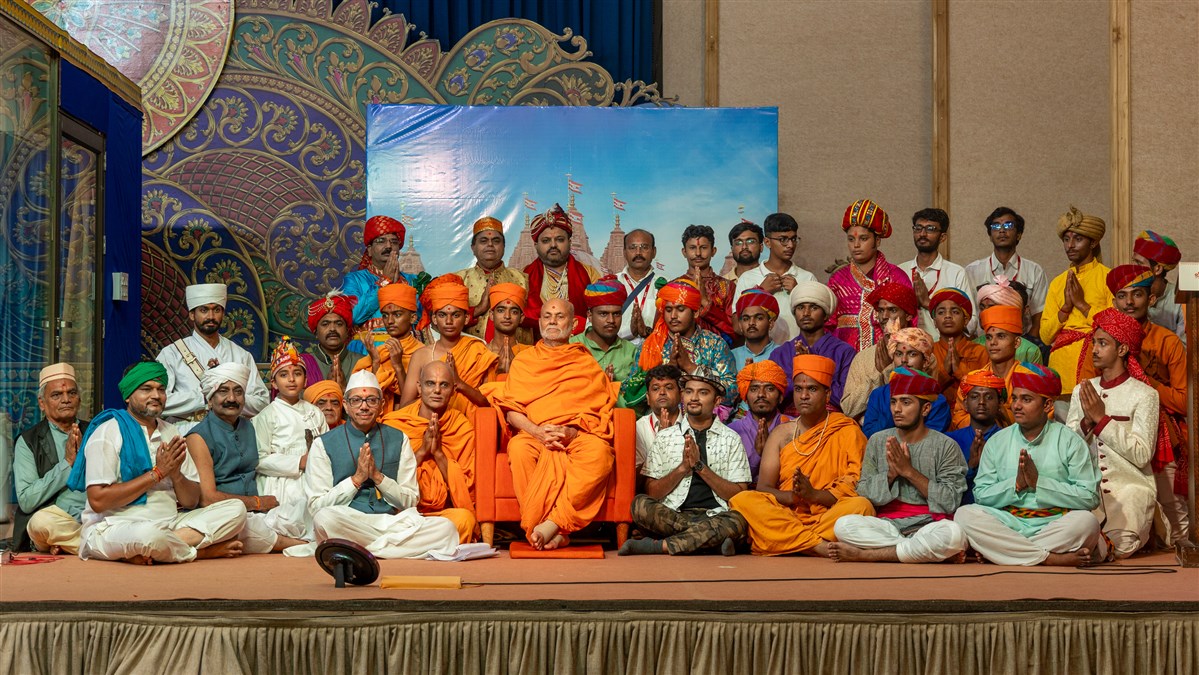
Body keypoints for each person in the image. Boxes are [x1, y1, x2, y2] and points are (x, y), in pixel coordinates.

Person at [68, 361, 248, 564]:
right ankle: (200, 551)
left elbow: (190, 501)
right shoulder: (108, 432)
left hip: (171, 524)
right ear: (128, 395)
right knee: (149, 536)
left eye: (161, 389)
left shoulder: (171, 433)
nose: (156, 395)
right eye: (146, 389)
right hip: (116, 526)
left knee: (236, 510)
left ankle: (165, 548)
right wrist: (158, 473)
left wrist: (176, 474)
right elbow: (98, 501)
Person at [486, 298, 618, 550]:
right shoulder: (525, 361)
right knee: (518, 449)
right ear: (539, 321)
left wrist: (572, 432)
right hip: (534, 433)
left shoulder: (585, 363)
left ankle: (550, 524)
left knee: (600, 454)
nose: (553, 322)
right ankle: (548, 527)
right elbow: (512, 411)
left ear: (574, 324)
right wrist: (536, 432)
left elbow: (598, 411)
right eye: (547, 316)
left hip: (575, 434)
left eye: (560, 317)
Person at [954, 363, 1102, 566]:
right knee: (965, 515)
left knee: (1087, 522)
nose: (1016, 406)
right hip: (1009, 521)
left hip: (1055, 522)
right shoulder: (998, 441)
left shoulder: (1070, 441)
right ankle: (1048, 558)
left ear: (1048, 405)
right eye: (1014, 398)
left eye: (1026, 399)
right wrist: (1015, 485)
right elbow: (981, 494)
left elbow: (1089, 496)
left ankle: (1004, 553)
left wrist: (1038, 483)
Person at [303, 370, 459, 558]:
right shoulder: (323, 444)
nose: (364, 407)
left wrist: (378, 478)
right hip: (349, 519)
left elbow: (410, 500)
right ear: (346, 405)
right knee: (324, 519)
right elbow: (316, 507)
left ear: (382, 405)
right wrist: (356, 480)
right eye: (356, 400)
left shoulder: (398, 438)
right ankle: (390, 549)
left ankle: (363, 550)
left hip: (392, 523)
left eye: (371, 400)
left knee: (446, 528)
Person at [728, 355, 873, 556]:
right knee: (744, 499)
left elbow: (855, 483)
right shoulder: (781, 433)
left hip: (827, 512)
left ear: (828, 394)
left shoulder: (848, 430)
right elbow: (764, 487)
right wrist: (793, 497)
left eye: (812, 389)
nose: (804, 395)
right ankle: (817, 546)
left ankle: (790, 541)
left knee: (861, 506)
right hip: (789, 513)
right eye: (798, 389)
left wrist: (813, 495)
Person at [830, 368, 968, 563]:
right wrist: (890, 475)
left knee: (953, 533)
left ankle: (867, 555)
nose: (896, 409)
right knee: (843, 525)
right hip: (888, 525)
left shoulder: (946, 446)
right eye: (894, 402)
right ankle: (915, 550)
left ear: (925, 409)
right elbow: (864, 492)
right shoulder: (878, 441)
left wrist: (909, 472)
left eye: (906, 402)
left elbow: (950, 501)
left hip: (929, 524)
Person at [1097, 264, 1189, 543]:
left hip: (1164, 433)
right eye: (1122, 296)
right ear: (1113, 301)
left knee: (1173, 507)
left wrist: (1146, 384)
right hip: (1116, 432)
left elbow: (1185, 401)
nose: (1128, 302)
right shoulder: (1104, 341)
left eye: (1136, 294)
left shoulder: (1168, 342)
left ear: (1151, 299)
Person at [620, 368, 751, 556]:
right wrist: (682, 468)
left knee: (738, 520)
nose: (694, 398)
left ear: (717, 401)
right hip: (674, 514)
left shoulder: (731, 439)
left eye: (703, 392)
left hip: (717, 515)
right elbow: (651, 492)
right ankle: (710, 540)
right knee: (639, 504)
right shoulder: (665, 437)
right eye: (689, 392)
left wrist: (700, 467)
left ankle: (660, 546)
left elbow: (739, 495)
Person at [1067, 308, 1161, 559]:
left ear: (1122, 350)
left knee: (1123, 545)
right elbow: (1066, 448)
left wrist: (1102, 420)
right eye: (1094, 343)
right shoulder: (1082, 390)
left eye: (1103, 343)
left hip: (1129, 487)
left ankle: (1086, 547)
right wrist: (1087, 423)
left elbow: (1142, 455)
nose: (1094, 350)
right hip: (1086, 491)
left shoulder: (1145, 395)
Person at [184, 364, 309, 553]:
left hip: (259, 512)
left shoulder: (248, 426)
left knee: (304, 509)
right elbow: (207, 499)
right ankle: (304, 546)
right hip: (224, 514)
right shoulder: (198, 437)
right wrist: (257, 503)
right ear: (209, 399)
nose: (232, 399)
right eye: (223, 391)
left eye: (238, 392)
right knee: (244, 520)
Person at [382, 361, 478, 543]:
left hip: (441, 515)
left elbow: (467, 486)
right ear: (419, 387)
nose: (437, 390)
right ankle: (427, 545)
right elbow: (385, 480)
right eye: (430, 383)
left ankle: (411, 545)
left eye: (444, 384)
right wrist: (422, 452)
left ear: (453, 390)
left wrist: (439, 454)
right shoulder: (394, 424)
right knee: (384, 520)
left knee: (465, 521)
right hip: (403, 513)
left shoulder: (461, 427)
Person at [156, 283, 269, 432]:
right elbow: (159, 401)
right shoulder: (171, 354)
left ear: (223, 313)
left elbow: (262, 402)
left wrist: (228, 400)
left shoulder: (241, 355)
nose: (211, 316)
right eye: (204, 310)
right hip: (186, 432)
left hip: (232, 432)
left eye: (216, 310)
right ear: (192, 314)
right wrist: (202, 398)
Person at [252, 337, 329, 535]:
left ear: (305, 379)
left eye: (297, 374)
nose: (292, 380)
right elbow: (259, 460)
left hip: (314, 479)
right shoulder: (266, 416)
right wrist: (299, 462)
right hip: (281, 483)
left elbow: (327, 447)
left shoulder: (315, 412)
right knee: (286, 525)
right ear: (274, 382)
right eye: (284, 375)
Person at [625, 277, 737, 408]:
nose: (673, 316)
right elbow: (629, 392)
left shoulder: (715, 344)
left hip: (705, 422)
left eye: (680, 309)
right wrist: (669, 372)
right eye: (668, 310)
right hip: (659, 422)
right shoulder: (651, 346)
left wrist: (691, 368)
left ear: (696, 313)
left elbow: (732, 392)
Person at [12, 364, 88, 554]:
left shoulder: (97, 431)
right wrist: (67, 464)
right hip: (57, 520)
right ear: (41, 403)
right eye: (56, 395)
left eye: (72, 393)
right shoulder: (28, 441)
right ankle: (101, 543)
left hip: (96, 515)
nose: (66, 400)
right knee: (41, 523)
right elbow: (27, 500)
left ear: (79, 399)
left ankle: (76, 543)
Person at [1040, 206, 1112, 395]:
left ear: (1094, 242)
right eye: (1066, 239)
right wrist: (1065, 308)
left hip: (1097, 366)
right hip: (1060, 368)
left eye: (1078, 239)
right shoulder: (1058, 282)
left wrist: (1082, 304)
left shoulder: (1109, 278)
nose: (1070, 245)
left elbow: (1115, 327)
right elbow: (1046, 336)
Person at [401, 274, 497, 414]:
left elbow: (488, 404)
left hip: (466, 425)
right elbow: (405, 406)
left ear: (466, 318)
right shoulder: (421, 355)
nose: (449, 321)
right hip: (427, 424)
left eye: (456, 315)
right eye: (442, 315)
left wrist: (458, 383)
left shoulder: (479, 350)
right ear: (434, 318)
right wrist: (434, 399)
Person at [829, 199, 913, 351]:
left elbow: (911, 322)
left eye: (863, 238)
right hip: (844, 356)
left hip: (887, 354)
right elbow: (828, 324)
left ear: (878, 240)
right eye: (851, 239)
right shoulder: (838, 279)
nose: (856, 245)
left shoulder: (896, 277)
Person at [768, 281, 856, 413]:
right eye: (800, 308)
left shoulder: (844, 352)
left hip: (831, 422)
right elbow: (773, 398)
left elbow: (846, 400)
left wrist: (813, 368)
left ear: (826, 315)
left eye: (814, 308)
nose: (806, 313)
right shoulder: (780, 354)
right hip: (789, 423)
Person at [839, 282, 920, 419]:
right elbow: (848, 409)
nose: (884, 317)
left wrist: (890, 371)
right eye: (881, 311)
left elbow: (923, 401)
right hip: (868, 432)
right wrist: (877, 375)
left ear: (908, 315)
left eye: (893, 310)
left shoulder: (921, 354)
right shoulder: (863, 358)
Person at [734, 213, 817, 344]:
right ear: (767, 242)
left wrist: (799, 294)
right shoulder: (747, 278)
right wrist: (760, 292)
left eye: (794, 239)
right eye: (783, 239)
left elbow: (818, 325)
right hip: (759, 357)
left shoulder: (807, 278)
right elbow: (737, 327)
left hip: (797, 354)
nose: (790, 245)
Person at [964, 207, 1048, 331]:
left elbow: (1038, 317)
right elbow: (968, 316)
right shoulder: (972, 271)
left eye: (1008, 225)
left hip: (1022, 344)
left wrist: (1028, 347)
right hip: (983, 344)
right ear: (990, 236)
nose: (1002, 230)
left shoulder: (1034, 271)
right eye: (996, 226)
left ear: (1019, 235)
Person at [343, 215, 423, 343]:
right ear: (369, 250)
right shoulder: (354, 280)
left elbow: (421, 320)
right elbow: (354, 317)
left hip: (407, 351)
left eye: (394, 242)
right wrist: (384, 281)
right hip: (366, 350)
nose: (389, 246)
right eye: (381, 241)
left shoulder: (413, 280)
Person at [522, 204, 600, 337]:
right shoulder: (523, 276)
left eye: (559, 239)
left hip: (579, 347)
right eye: (546, 240)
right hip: (537, 349)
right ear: (536, 245)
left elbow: (599, 316)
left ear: (569, 242)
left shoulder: (590, 274)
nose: (553, 245)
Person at [457, 215, 532, 345]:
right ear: (473, 248)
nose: (490, 245)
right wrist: (478, 309)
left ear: (504, 246)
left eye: (496, 241)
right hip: (471, 358)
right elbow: (445, 322)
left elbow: (536, 318)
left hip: (519, 357)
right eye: (483, 241)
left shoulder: (523, 279)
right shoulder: (459, 280)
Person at [861, 329, 951, 437]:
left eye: (912, 354)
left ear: (925, 361)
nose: (904, 360)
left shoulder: (936, 400)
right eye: (898, 354)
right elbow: (869, 434)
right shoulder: (878, 395)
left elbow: (931, 441)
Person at [899, 208, 971, 341]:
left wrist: (928, 303)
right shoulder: (900, 271)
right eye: (918, 228)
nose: (922, 234)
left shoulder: (956, 273)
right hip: (907, 349)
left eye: (930, 229)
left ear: (942, 237)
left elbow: (972, 323)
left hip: (942, 347)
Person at [951, 305, 1028, 430]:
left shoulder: (1028, 378)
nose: (993, 342)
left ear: (1016, 342)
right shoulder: (972, 379)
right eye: (989, 337)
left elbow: (1036, 417)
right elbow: (959, 417)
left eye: (1001, 336)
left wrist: (1002, 413)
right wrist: (987, 420)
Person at [352, 282, 423, 413]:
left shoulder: (423, 353)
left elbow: (411, 401)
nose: (389, 321)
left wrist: (398, 366)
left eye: (397, 314)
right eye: (385, 315)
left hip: (408, 419)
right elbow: (366, 398)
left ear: (413, 318)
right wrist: (375, 361)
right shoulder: (380, 351)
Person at [944, 370, 1007, 503]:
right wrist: (971, 467)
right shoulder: (950, 441)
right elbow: (946, 490)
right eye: (975, 397)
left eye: (989, 397)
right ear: (966, 404)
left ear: (1000, 403)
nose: (981, 402)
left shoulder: (1008, 440)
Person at [570, 276, 639, 390]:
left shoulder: (631, 352)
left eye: (616, 314)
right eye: (603, 314)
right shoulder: (572, 347)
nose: (611, 320)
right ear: (589, 315)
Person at [726, 360, 790, 482]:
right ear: (745, 396)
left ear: (781, 397)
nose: (761, 394)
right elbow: (729, 481)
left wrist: (769, 453)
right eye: (754, 389)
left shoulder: (793, 428)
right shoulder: (732, 432)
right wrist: (757, 455)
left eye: (769, 389)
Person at [929, 288, 988, 417]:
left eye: (955, 311)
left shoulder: (980, 352)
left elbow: (986, 391)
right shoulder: (928, 352)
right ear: (934, 322)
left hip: (973, 417)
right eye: (941, 312)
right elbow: (924, 391)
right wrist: (944, 371)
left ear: (966, 320)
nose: (948, 316)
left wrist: (959, 370)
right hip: (936, 417)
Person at [679, 224, 737, 342]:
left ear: (713, 251)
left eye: (704, 247)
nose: (698, 253)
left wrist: (705, 302)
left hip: (720, 354)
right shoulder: (676, 286)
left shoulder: (727, 287)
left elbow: (735, 330)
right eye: (692, 248)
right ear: (684, 252)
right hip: (682, 353)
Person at [972, 277, 1044, 364]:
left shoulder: (1030, 351)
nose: (984, 313)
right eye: (982, 308)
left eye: (991, 308)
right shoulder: (973, 347)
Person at [1131, 230, 1186, 342]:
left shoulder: (1180, 301)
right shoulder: (1128, 294)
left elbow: (1184, 348)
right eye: (1134, 262)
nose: (1133, 268)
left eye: (1139, 263)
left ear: (1157, 269)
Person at [301, 291, 359, 387]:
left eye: (339, 324)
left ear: (347, 331)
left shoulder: (362, 362)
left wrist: (344, 390)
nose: (332, 329)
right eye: (325, 324)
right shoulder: (302, 364)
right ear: (316, 332)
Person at [635, 365, 685, 474]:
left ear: (681, 395)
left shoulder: (692, 423)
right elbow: (636, 480)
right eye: (656, 388)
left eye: (669, 387)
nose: (662, 392)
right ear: (648, 398)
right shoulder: (638, 428)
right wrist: (660, 443)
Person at [616, 229, 659, 345]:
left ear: (654, 252)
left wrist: (647, 332)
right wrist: (629, 331)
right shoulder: (611, 284)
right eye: (632, 247)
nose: (638, 253)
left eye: (644, 247)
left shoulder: (665, 285)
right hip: (618, 354)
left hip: (656, 355)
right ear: (624, 252)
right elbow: (594, 327)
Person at [486, 282, 534, 379]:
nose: (507, 316)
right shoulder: (479, 353)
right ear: (491, 315)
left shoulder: (531, 354)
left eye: (514, 312)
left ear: (521, 318)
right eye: (501, 310)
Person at [730, 289, 780, 369]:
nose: (751, 323)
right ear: (740, 325)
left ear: (771, 324)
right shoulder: (730, 356)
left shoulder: (784, 354)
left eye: (759, 318)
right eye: (746, 319)